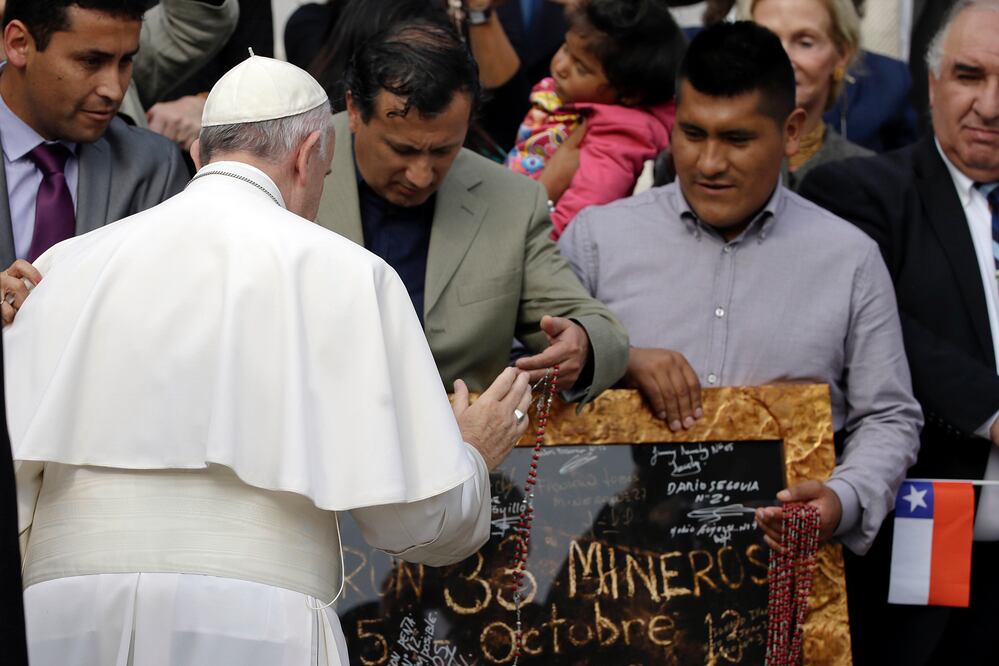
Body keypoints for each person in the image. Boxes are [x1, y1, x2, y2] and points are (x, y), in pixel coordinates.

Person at [4, 54, 532, 666]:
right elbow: (415, 522)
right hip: (253, 629)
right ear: (309, 155)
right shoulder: (351, 274)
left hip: (62, 624)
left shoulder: (63, 265)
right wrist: (467, 454)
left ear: (199, 154)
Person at [558, 22, 922, 556]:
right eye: (693, 133)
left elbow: (889, 415)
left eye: (737, 139)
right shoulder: (596, 239)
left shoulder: (850, 260)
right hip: (615, 581)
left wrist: (842, 499)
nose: (709, 163)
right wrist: (616, 358)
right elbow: (530, 378)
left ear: (792, 132)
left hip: (781, 581)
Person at [800, 1, 999, 662]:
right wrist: (990, 411)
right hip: (930, 531)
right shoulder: (859, 192)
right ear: (932, 82)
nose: (989, 105)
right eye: (969, 76)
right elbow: (885, 331)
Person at [316, 18, 630, 400]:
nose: (420, 175)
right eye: (402, 150)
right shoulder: (289, 173)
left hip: (462, 451)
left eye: (444, 150)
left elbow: (598, 328)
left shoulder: (512, 202)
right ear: (353, 109)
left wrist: (582, 343)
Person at [0, 0, 188, 270]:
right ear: (19, 43)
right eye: (91, 61)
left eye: (126, 61)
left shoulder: (154, 167)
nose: (113, 90)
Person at [505, 0, 684, 238]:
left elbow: (576, 223)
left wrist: (524, 240)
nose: (561, 66)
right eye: (566, 49)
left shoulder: (620, 139)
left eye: (581, 68)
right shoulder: (571, 99)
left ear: (629, 94)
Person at [746, 0, 872, 189]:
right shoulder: (710, 159)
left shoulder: (868, 176)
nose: (782, 59)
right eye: (766, 40)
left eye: (805, 43)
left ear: (842, 55)